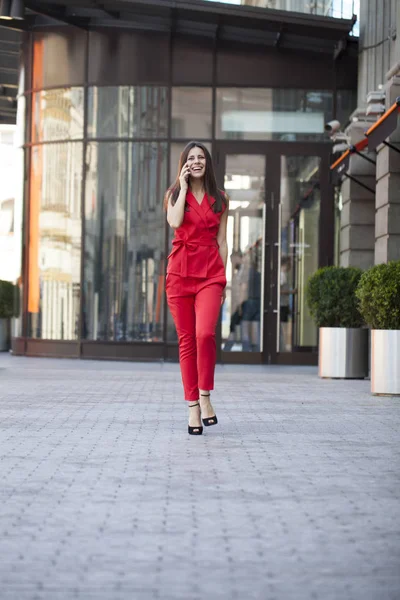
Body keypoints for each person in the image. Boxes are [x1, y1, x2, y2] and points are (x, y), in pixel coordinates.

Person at [164, 142, 229, 435]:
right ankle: (192, 407)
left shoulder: (220, 199)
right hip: (180, 273)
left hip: (211, 274)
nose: (196, 161)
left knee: (205, 334)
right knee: (187, 340)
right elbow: (175, 222)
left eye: (201, 157)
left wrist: (224, 279)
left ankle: (205, 396)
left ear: (208, 163)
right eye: (191, 158)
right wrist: (183, 185)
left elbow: (223, 242)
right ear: (184, 164)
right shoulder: (175, 195)